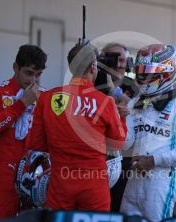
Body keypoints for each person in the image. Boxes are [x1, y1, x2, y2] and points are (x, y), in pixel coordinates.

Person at [26, 42, 127, 211]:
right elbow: (117, 144)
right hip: (94, 185)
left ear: (71, 68)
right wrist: (121, 118)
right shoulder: (106, 102)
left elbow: (36, 143)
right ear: (93, 67)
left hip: (60, 183)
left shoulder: (47, 98)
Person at [120, 44, 176, 221]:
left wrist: (154, 161)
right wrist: (118, 119)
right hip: (133, 178)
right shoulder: (136, 102)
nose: (143, 77)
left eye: (148, 73)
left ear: (166, 73)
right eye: (140, 72)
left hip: (160, 182)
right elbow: (126, 142)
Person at [0, 44, 47, 220]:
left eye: (38, 74)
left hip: (35, 175)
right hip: (4, 175)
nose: (33, 80)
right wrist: (22, 103)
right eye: (29, 73)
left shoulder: (46, 97)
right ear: (15, 67)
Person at [98, 43, 136, 212]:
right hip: (96, 157)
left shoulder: (133, 85)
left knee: (117, 207)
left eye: (123, 60)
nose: (119, 64)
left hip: (123, 158)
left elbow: (139, 108)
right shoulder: (93, 82)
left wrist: (116, 93)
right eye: (114, 59)